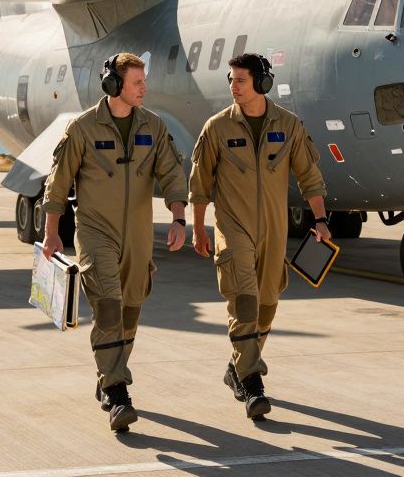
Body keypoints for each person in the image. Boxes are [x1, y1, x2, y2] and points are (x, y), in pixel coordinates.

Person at [42, 52, 189, 432]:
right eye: (137, 82)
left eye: (144, 81)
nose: (144, 88)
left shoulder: (153, 126)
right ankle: (117, 391)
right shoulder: (83, 128)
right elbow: (58, 183)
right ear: (113, 85)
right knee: (108, 307)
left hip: (138, 235)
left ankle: (109, 374)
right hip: (96, 232)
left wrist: (178, 217)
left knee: (130, 312)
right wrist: (51, 231)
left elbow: (172, 173)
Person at [188, 53, 330, 419]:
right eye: (231, 80)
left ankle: (236, 367)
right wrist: (199, 228)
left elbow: (309, 176)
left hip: (273, 231)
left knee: (267, 306)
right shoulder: (217, 128)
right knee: (245, 303)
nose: (233, 87)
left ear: (262, 83)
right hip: (232, 228)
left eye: (240, 80)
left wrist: (320, 219)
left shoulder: (289, 124)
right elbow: (200, 185)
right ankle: (252, 384)